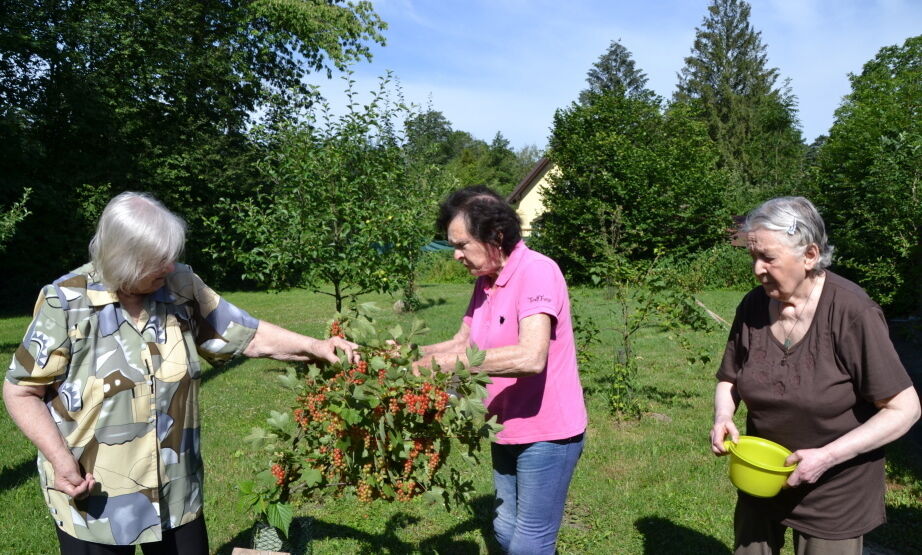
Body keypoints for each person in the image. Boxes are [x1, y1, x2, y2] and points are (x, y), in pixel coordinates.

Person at [3, 192, 357, 554]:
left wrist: (315, 347)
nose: (170, 267)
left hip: (176, 492)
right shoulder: (66, 302)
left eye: (171, 257)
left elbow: (244, 334)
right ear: (124, 260)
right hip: (96, 497)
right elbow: (21, 391)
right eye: (159, 260)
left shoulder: (181, 288)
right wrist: (61, 461)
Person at [710, 196, 920, 554]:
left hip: (834, 490)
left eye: (769, 258)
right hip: (761, 477)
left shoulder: (852, 312)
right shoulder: (754, 306)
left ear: (809, 256)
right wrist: (723, 415)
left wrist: (827, 456)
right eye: (753, 257)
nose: (757, 269)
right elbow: (729, 377)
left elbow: (905, 408)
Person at [418, 185, 587, 555]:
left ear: (495, 236)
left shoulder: (537, 272)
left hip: (548, 433)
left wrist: (441, 366)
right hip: (504, 427)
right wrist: (409, 357)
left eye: (461, 245)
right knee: (505, 529)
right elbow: (463, 344)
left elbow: (531, 356)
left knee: (529, 541)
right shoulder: (486, 281)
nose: (456, 256)